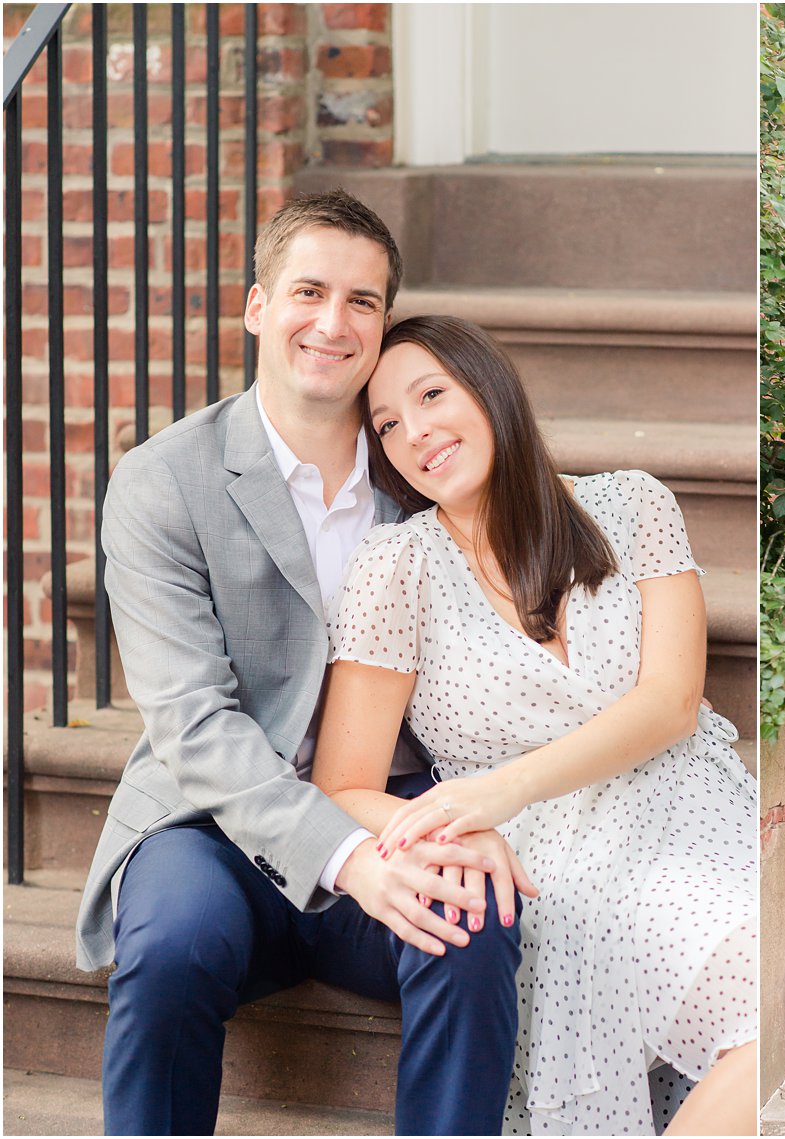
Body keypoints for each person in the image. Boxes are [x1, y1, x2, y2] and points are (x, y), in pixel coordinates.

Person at [76, 191, 529, 1136]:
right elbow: (191, 725)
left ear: (384, 323)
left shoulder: (422, 468)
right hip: (209, 823)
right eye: (308, 291)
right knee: (170, 947)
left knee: (475, 923)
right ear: (255, 306)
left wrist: (455, 819)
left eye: (363, 301)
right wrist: (346, 856)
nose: (333, 322)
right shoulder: (163, 480)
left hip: (389, 805)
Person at [312, 314, 759, 1136]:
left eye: (432, 394)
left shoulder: (633, 505)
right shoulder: (396, 567)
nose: (415, 432)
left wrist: (495, 788)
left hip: (684, 812)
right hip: (539, 861)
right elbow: (342, 784)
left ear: (490, 385)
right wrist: (449, 832)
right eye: (386, 424)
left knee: (774, 999)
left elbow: (670, 702)